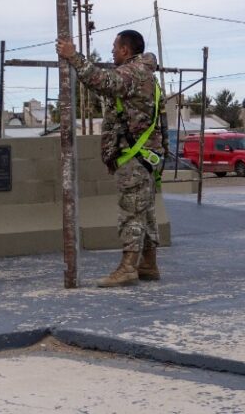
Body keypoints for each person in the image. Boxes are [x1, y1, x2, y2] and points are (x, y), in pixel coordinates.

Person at [57, 29, 165, 287]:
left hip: (135, 157)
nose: (113, 52)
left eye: (115, 48)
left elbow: (101, 81)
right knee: (144, 211)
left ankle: (128, 267)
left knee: (131, 212)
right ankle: (148, 264)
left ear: (126, 50)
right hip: (145, 157)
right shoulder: (145, 74)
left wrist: (74, 57)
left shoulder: (133, 73)